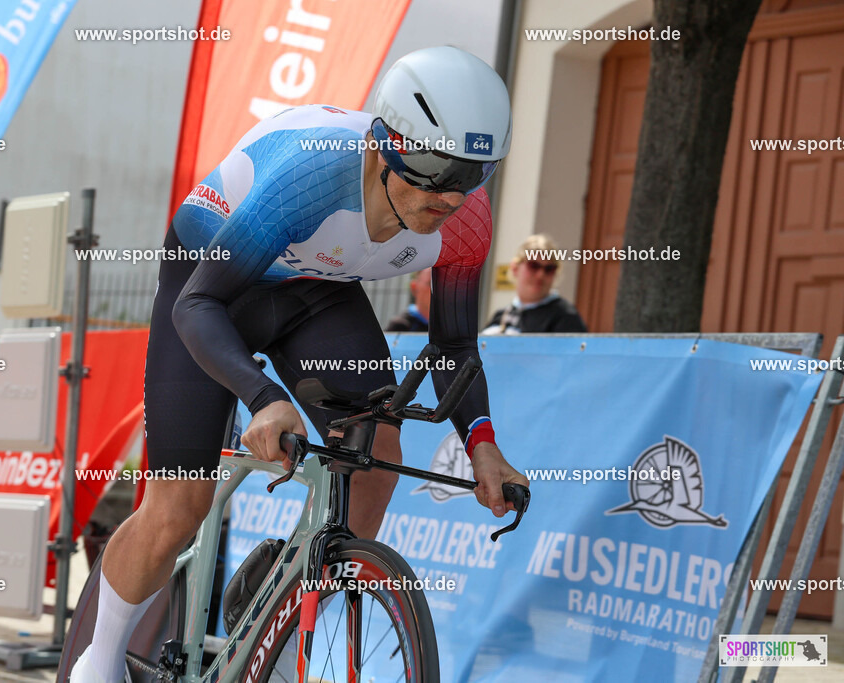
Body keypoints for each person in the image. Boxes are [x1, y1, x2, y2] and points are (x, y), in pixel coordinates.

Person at [71, 46, 530, 683]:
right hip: (210, 287)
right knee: (179, 505)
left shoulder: (465, 221)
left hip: (315, 288)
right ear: (384, 143)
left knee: (374, 458)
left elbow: (453, 347)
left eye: (472, 172)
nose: (448, 194)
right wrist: (262, 397)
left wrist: (482, 442)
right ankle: (99, 660)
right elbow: (200, 304)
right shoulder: (309, 178)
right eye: (431, 166)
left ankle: (280, 645)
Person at [482, 235, 588, 334]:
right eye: (533, 265)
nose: (540, 275)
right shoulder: (501, 316)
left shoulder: (566, 318)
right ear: (515, 268)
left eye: (549, 269)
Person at [386, 267, 431, 332]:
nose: (439, 289)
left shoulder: (449, 325)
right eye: (431, 283)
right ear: (414, 288)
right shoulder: (400, 326)